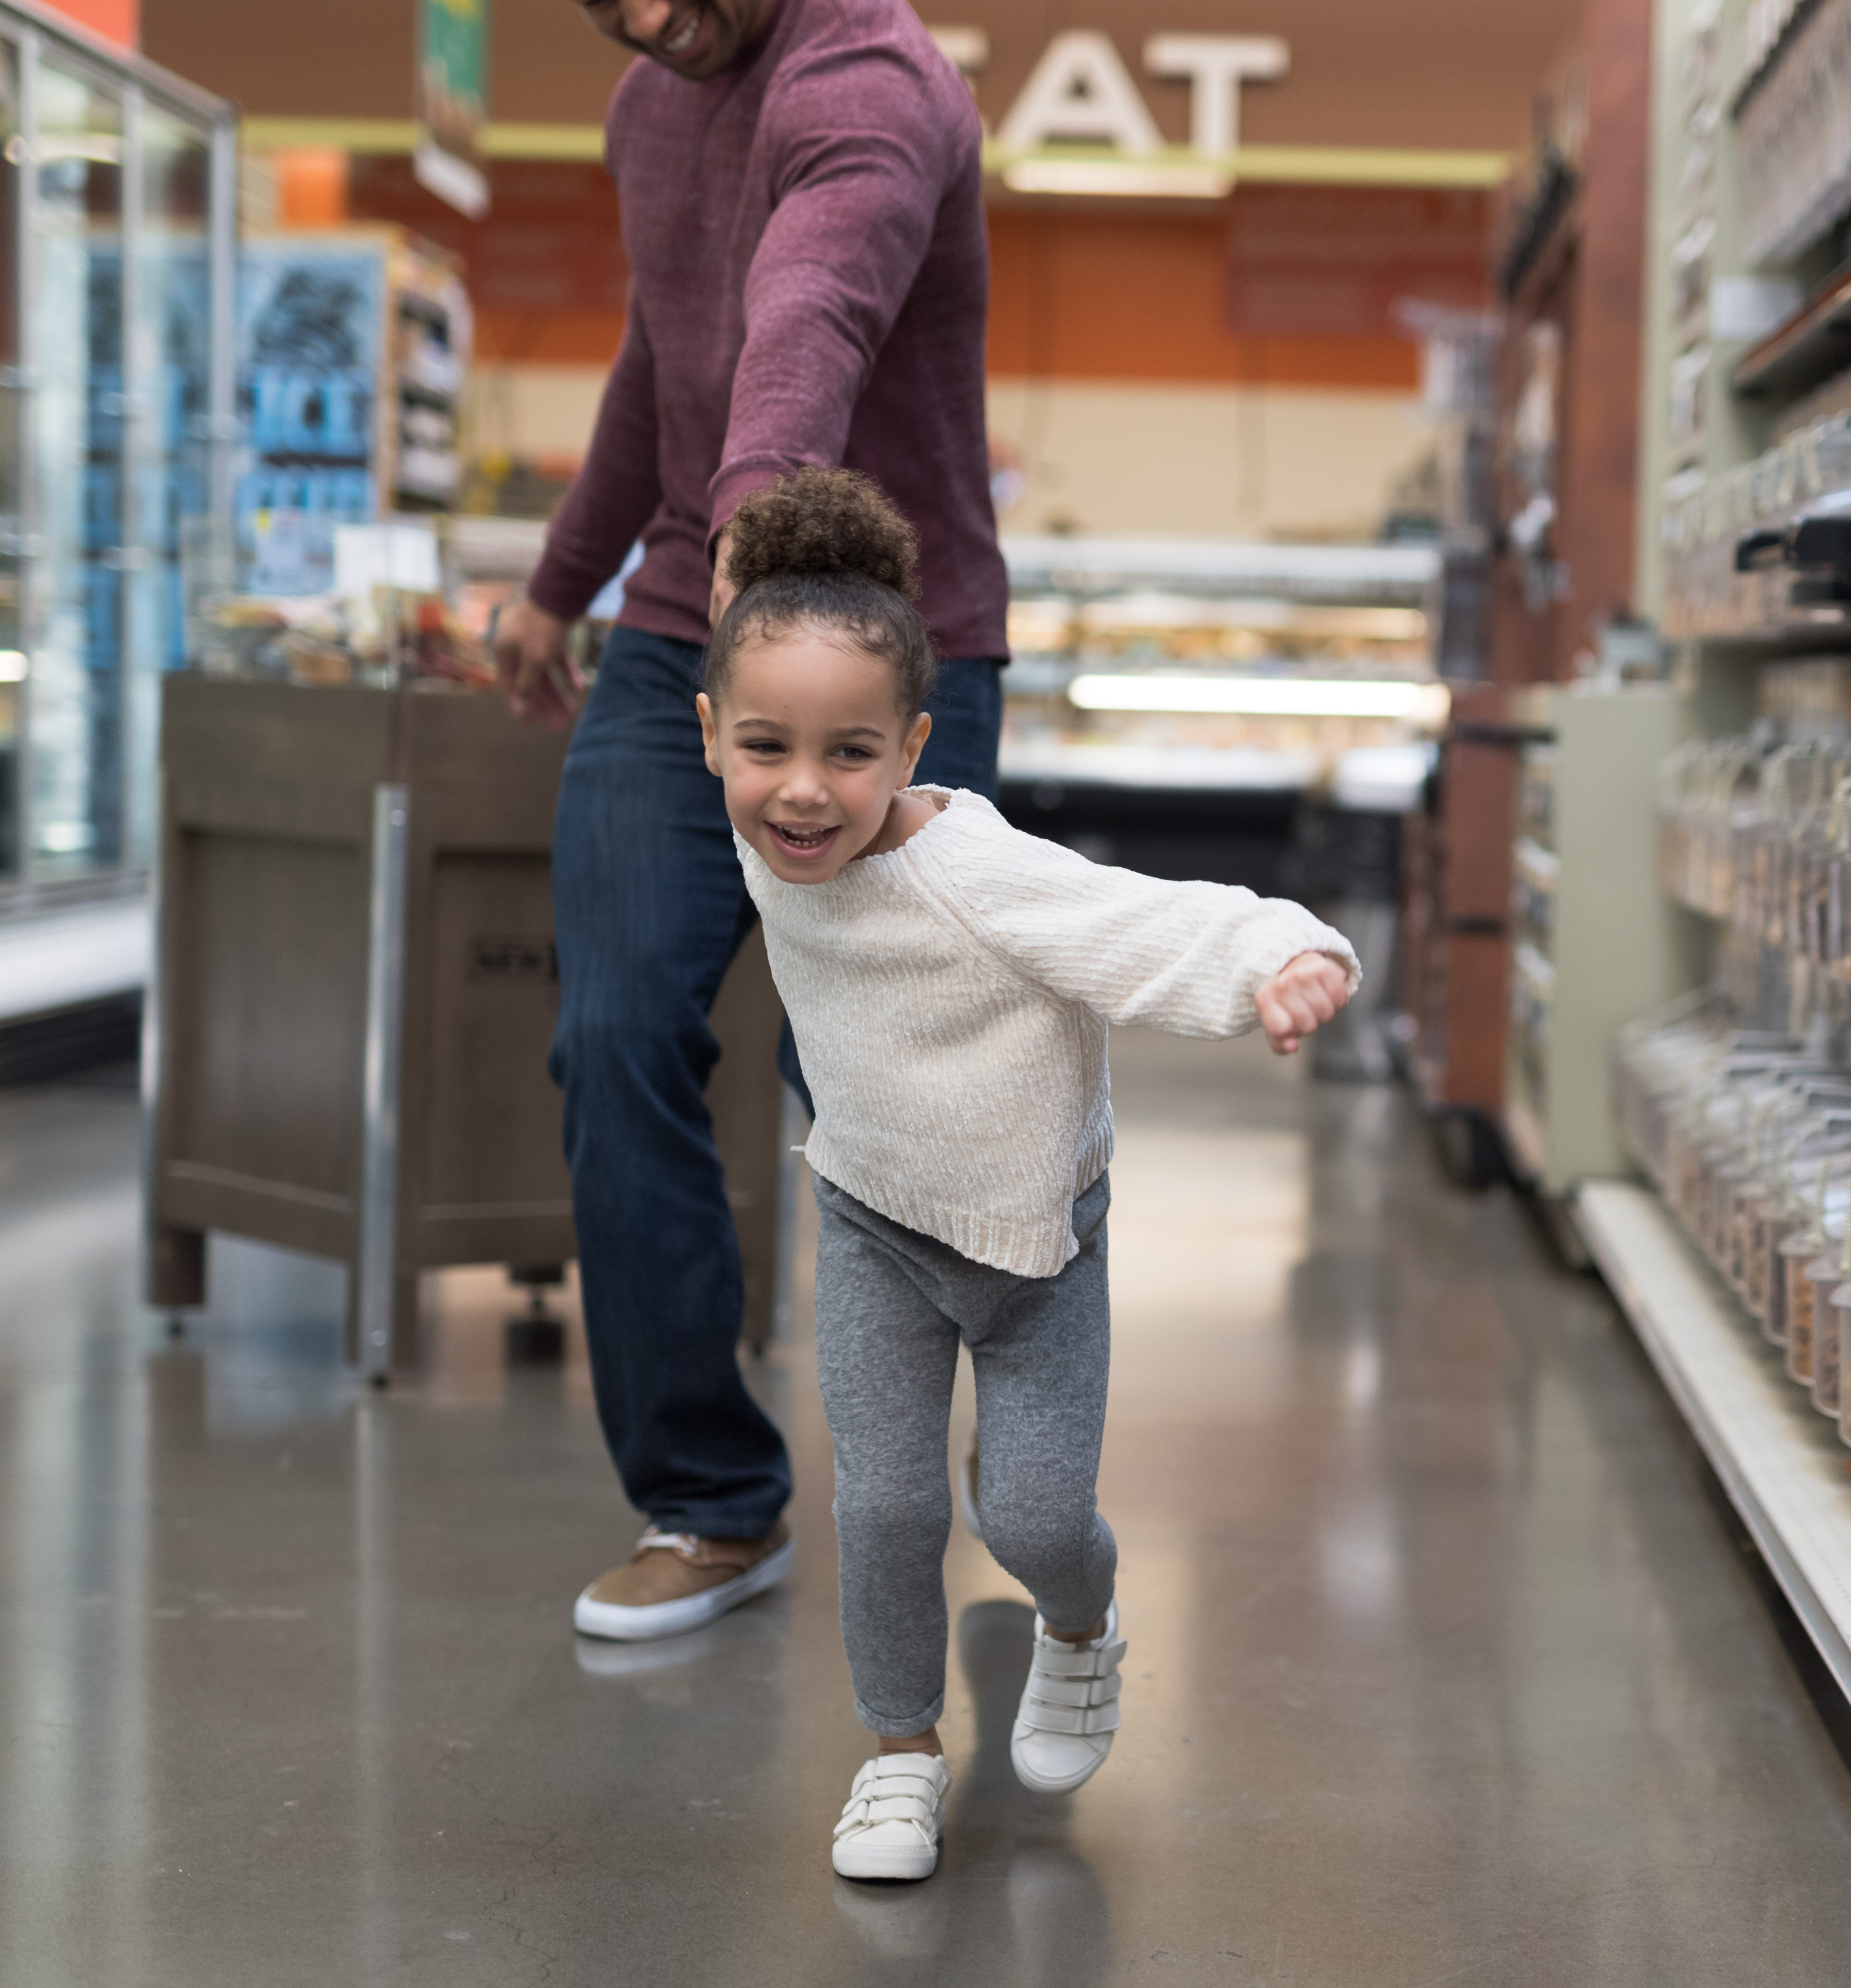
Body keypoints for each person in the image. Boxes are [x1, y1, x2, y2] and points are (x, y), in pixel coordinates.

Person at [692, 470, 1353, 1878]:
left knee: (1035, 1518)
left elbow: (1153, 917)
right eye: (765, 747)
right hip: (870, 1215)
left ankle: (1077, 1624)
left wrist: (1284, 956)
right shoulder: (768, 833)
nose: (804, 791)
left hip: (1036, 1246)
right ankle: (897, 1752)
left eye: (850, 754)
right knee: (884, 1506)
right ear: (710, 740)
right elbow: (755, 627)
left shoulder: (976, 873)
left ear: (913, 744)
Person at [491, 0, 1008, 1642]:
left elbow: (814, 310)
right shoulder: (651, 110)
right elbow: (663, 363)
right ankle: (708, 1500)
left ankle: (961, 1466)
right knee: (614, 1029)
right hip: (672, 637)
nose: (650, 16)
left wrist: (756, 524)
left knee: (869, 1075)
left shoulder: (869, 81)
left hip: (882, 638)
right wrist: (558, 587)